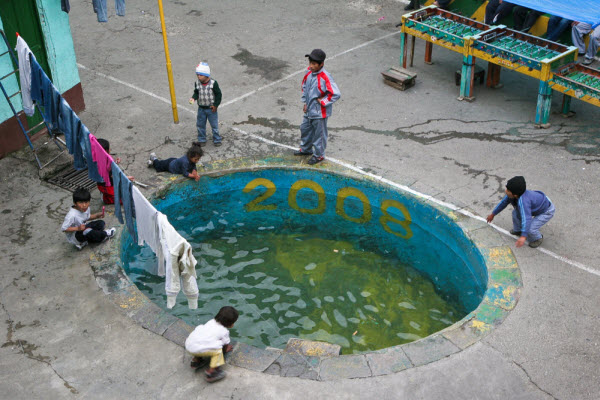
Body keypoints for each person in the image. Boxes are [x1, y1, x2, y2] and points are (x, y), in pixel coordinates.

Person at [294, 49, 340, 165]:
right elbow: (305, 87)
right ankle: (306, 149)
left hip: (320, 113)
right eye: (310, 63)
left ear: (321, 64)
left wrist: (323, 101)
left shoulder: (325, 77)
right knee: (305, 129)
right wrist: (305, 103)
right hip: (309, 110)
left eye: (314, 64)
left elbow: (335, 94)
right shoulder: (308, 73)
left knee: (319, 135)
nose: (311, 66)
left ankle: (319, 155)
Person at [486, 176, 555, 248]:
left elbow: (527, 218)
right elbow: (503, 203)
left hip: (546, 211)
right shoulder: (512, 195)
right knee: (515, 213)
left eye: (508, 190)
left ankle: (537, 238)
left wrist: (524, 236)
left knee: (530, 229)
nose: (506, 191)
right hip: (537, 205)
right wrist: (493, 214)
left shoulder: (524, 202)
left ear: (515, 195)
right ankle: (518, 230)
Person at [185, 306, 239, 383]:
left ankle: (196, 361)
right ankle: (211, 372)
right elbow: (226, 344)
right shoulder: (224, 331)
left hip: (189, 344)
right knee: (218, 351)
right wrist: (225, 350)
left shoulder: (211, 322)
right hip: (197, 349)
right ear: (231, 324)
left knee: (203, 340)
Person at [189, 62, 222, 147]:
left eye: (200, 75)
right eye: (197, 75)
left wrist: (216, 105)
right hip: (201, 109)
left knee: (214, 125)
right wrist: (193, 98)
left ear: (206, 75)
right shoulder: (197, 83)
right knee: (200, 125)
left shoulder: (213, 83)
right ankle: (202, 139)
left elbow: (218, 95)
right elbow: (196, 92)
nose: (198, 76)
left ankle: (217, 139)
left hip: (211, 109)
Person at [96, 138, 134, 204]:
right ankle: (105, 198)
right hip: (106, 186)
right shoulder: (102, 165)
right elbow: (113, 176)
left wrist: (115, 162)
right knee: (125, 199)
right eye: (108, 149)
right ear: (106, 151)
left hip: (108, 182)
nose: (110, 150)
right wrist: (126, 178)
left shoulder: (100, 158)